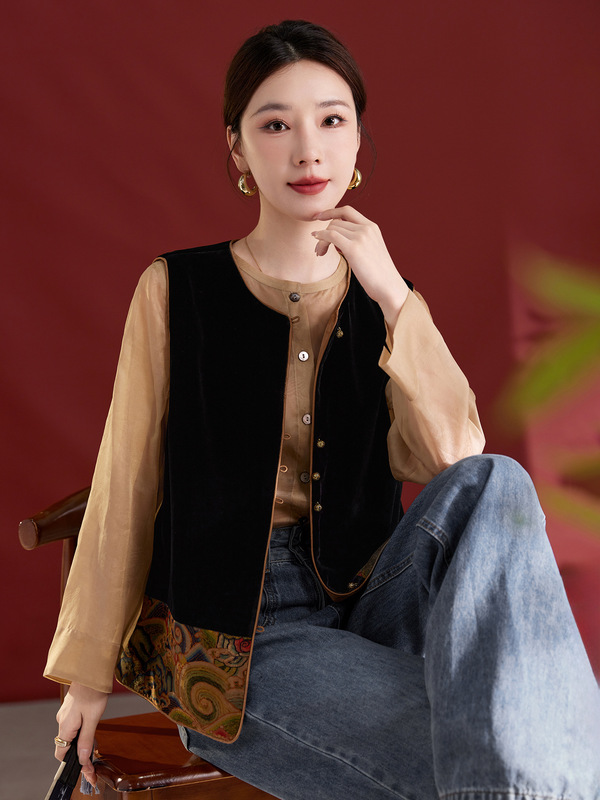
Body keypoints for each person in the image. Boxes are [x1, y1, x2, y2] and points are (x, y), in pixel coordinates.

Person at [46, 19, 599, 800]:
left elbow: (455, 460)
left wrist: (393, 294)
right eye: (276, 125)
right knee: (523, 748)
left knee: (497, 480)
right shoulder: (177, 291)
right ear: (238, 150)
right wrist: (87, 678)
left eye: (331, 120)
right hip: (247, 645)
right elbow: (124, 488)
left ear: (358, 140)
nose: (308, 151)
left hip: (377, 604)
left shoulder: (388, 300)